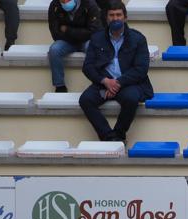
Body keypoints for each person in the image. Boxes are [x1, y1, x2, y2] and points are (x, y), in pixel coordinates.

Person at [79, 1, 153, 142]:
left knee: (131, 98)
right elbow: (87, 67)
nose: (115, 18)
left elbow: (141, 69)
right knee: (85, 100)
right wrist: (105, 81)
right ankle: (108, 136)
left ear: (125, 17)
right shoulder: (97, 38)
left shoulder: (138, 39)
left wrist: (118, 83)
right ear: (106, 18)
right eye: (111, 15)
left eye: (118, 15)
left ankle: (119, 134)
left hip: (129, 83)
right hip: (103, 82)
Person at [48, 0, 102, 93]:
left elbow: (94, 32)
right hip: (67, 42)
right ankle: (60, 86)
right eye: (62, 0)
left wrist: (68, 30)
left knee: (92, 48)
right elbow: (55, 33)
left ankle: (98, 82)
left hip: (86, 41)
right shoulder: (54, 5)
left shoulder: (90, 4)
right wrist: (79, 33)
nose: (65, 2)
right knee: (54, 49)